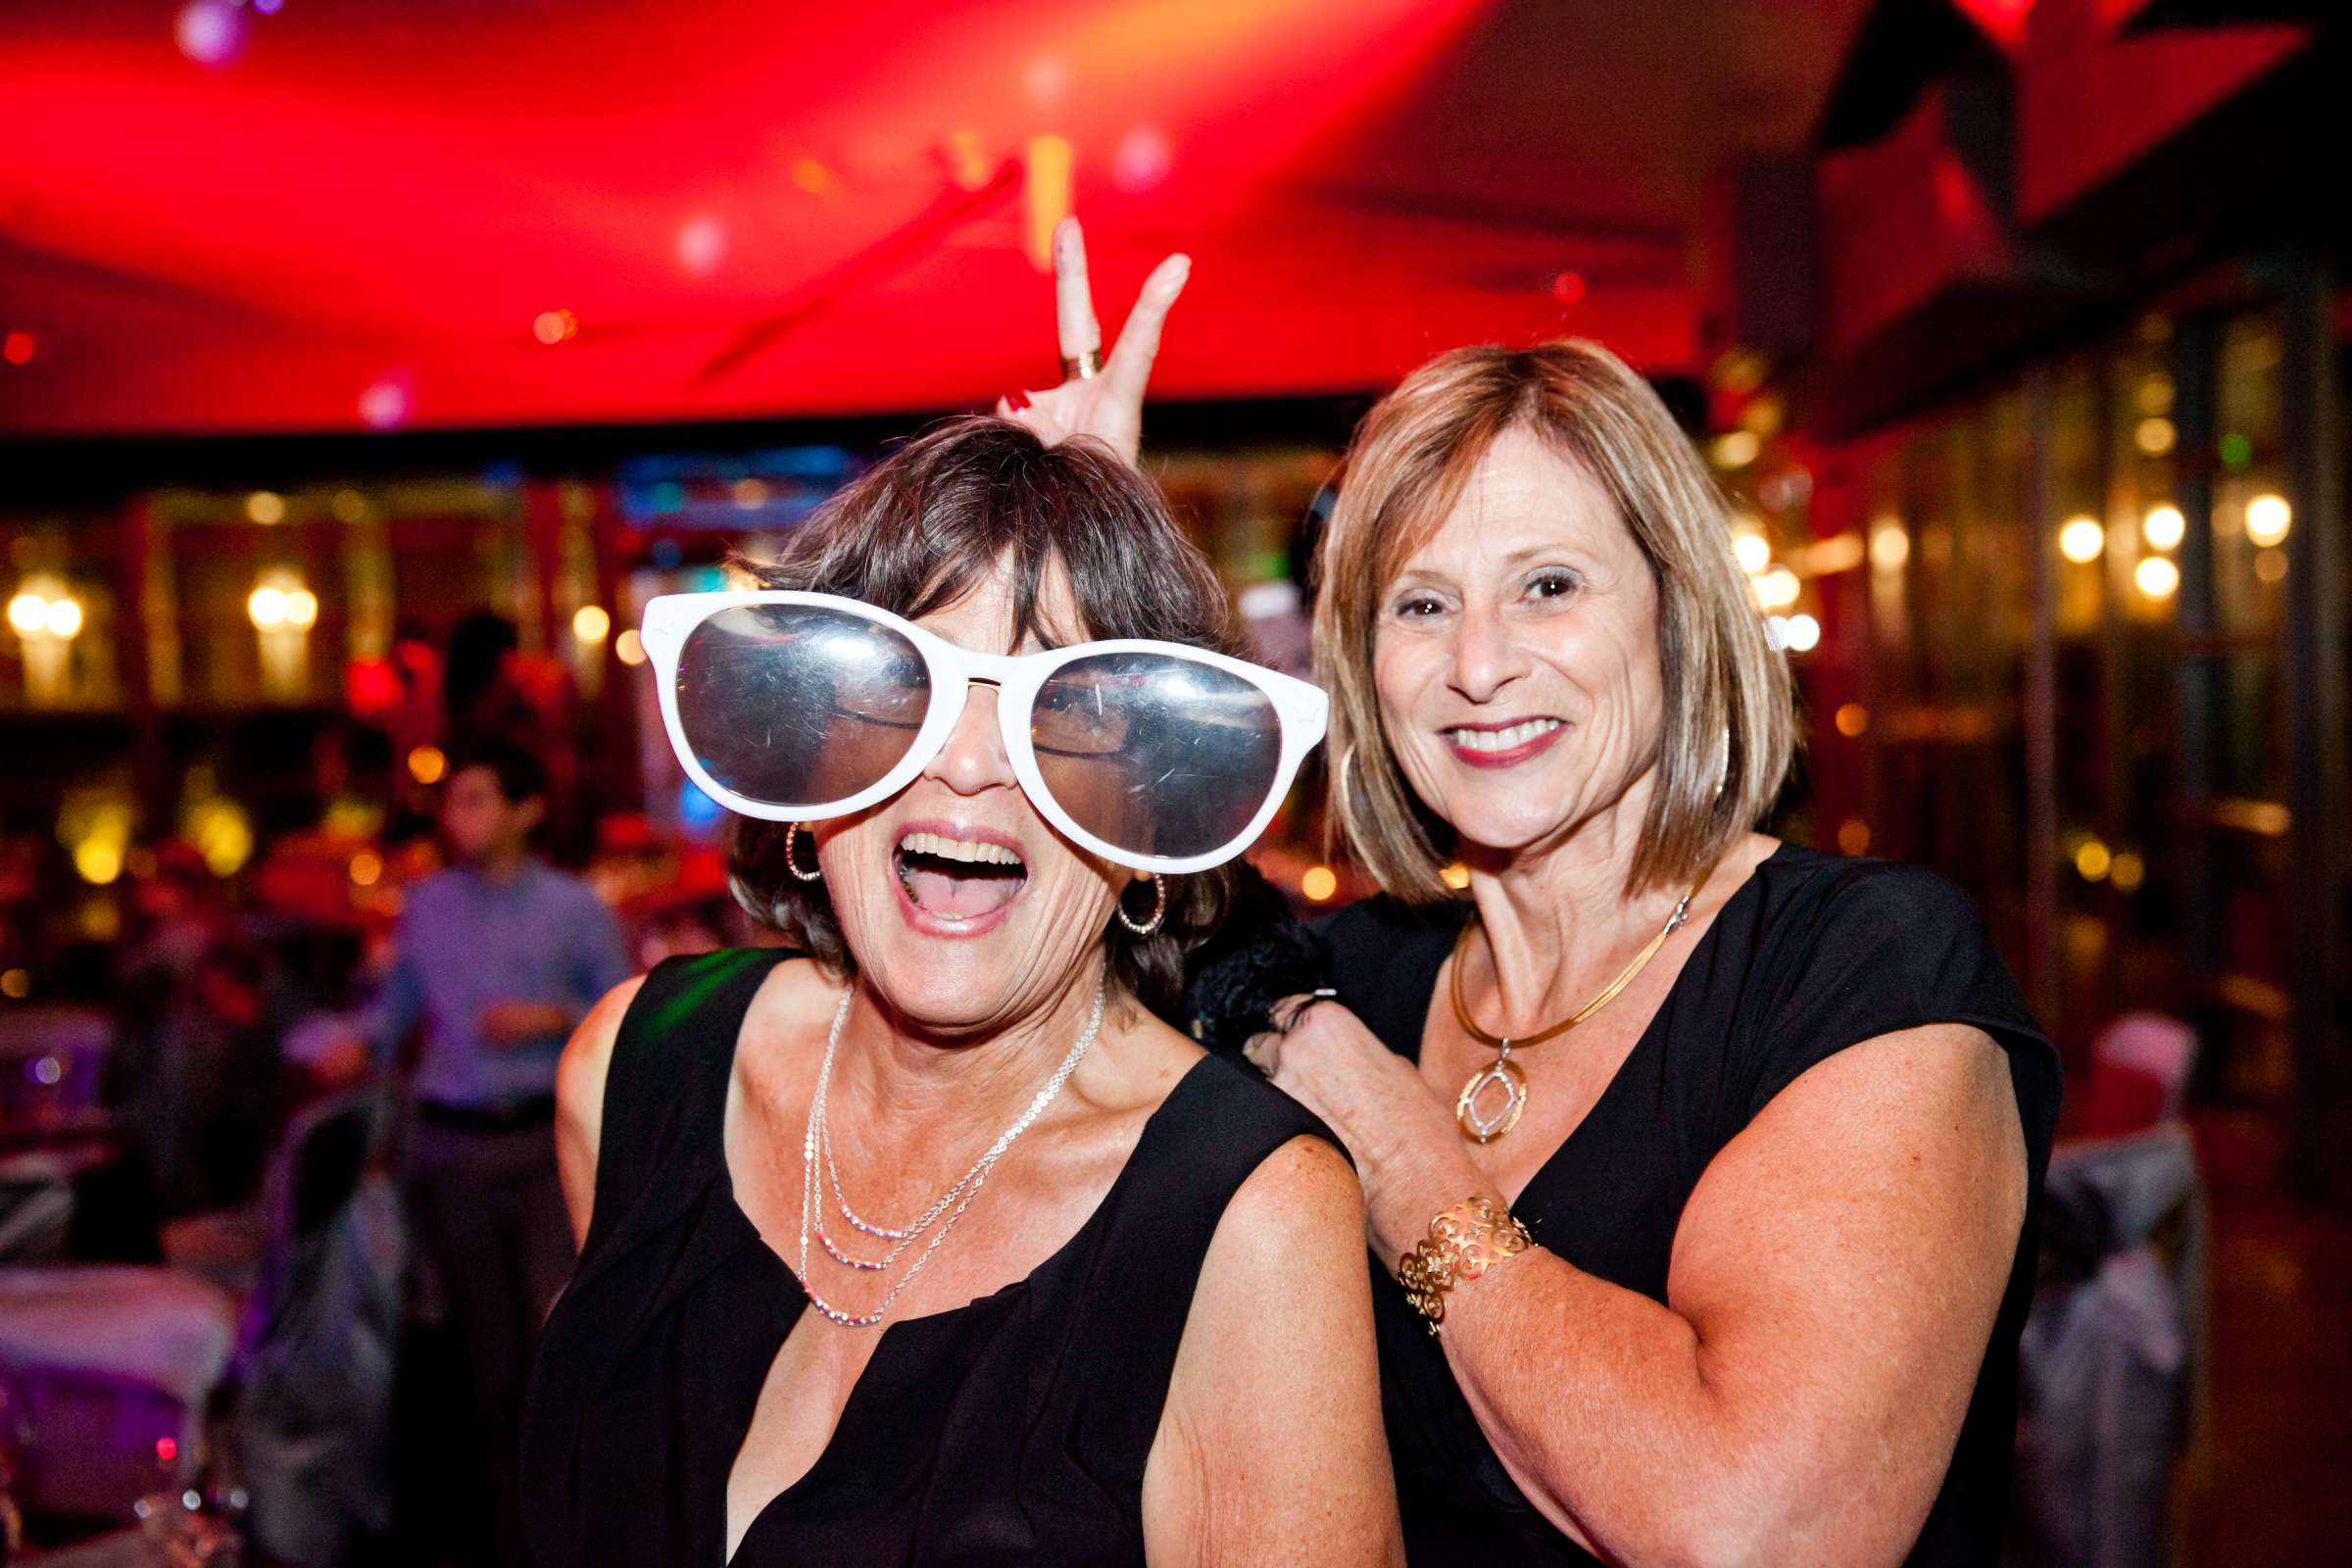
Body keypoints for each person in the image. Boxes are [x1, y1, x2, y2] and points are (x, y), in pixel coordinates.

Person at [1002, 228, 2058, 1563]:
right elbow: (1054, 950)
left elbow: (1750, 1530)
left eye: (1547, 587)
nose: (1479, 665)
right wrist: (1084, 573)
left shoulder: (1857, 966)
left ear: (1674, 621)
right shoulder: (1354, 970)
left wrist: (1383, 1130)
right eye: (1421, 606)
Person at [520, 417, 1400, 1566]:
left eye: (1068, 713)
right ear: (807, 754)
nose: (971, 762)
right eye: (899, 687)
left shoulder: (1250, 1215)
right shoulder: (637, 1073)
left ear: (1151, 821)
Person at [350, 740, 630, 1563]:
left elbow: (623, 1012)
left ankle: (574, 1512)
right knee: (483, 1352)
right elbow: (393, 1012)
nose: (457, 817)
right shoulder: (427, 904)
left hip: (544, 1144)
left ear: (525, 810)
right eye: (453, 801)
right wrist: (341, 1048)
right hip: (454, 1144)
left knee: (561, 1333)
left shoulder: (574, 908)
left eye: (475, 799)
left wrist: (547, 1017)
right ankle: (504, 1524)